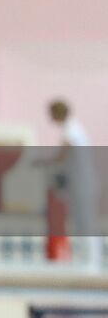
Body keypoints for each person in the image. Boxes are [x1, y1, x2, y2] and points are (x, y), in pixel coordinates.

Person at [47, 99, 102, 269]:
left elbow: (62, 155)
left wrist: (43, 162)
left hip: (84, 183)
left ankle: (93, 260)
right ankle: (87, 258)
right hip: (78, 183)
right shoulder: (70, 128)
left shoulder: (72, 130)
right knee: (80, 222)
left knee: (86, 222)